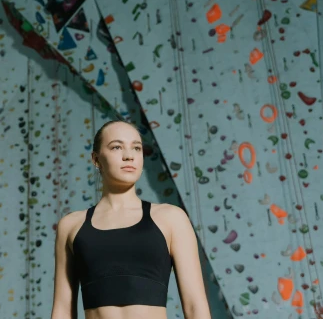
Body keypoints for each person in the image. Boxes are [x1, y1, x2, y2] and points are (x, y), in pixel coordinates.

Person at [50, 120, 211, 319]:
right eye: (117, 147)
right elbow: (62, 311)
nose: (129, 156)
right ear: (96, 158)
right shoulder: (71, 225)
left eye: (136, 147)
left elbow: (196, 308)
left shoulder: (171, 218)